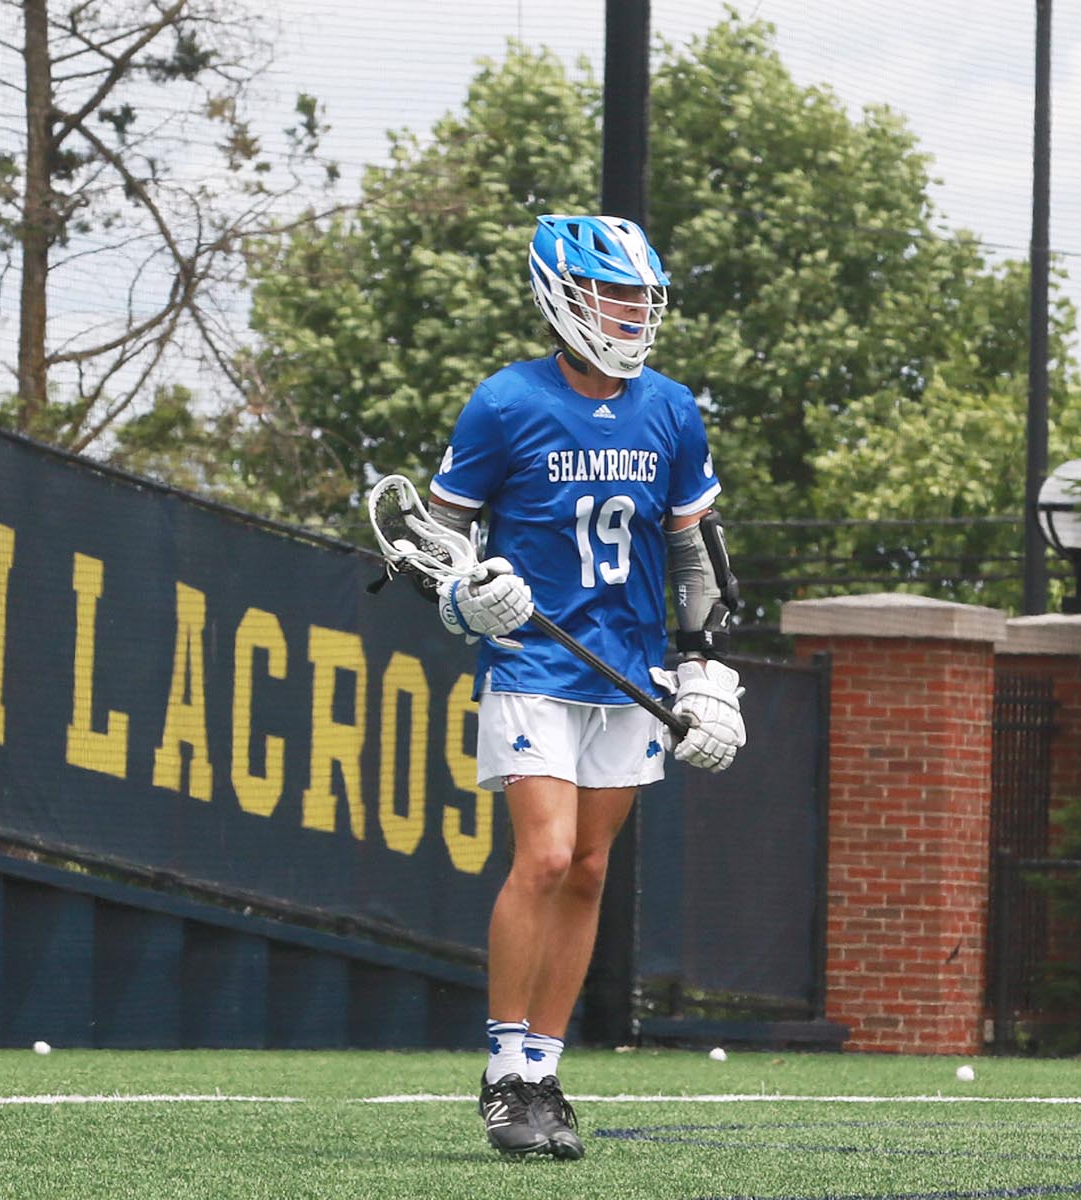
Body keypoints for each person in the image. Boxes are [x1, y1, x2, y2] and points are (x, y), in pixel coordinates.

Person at [424, 213, 746, 1160]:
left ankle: (544, 1071)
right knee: (548, 856)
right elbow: (433, 536)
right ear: (563, 296)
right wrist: (464, 593)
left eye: (640, 296)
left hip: (628, 667)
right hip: (533, 659)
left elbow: (694, 551)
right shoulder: (504, 402)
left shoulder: (671, 409)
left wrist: (701, 665)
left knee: (592, 868)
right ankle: (501, 1074)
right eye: (612, 293)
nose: (630, 311)